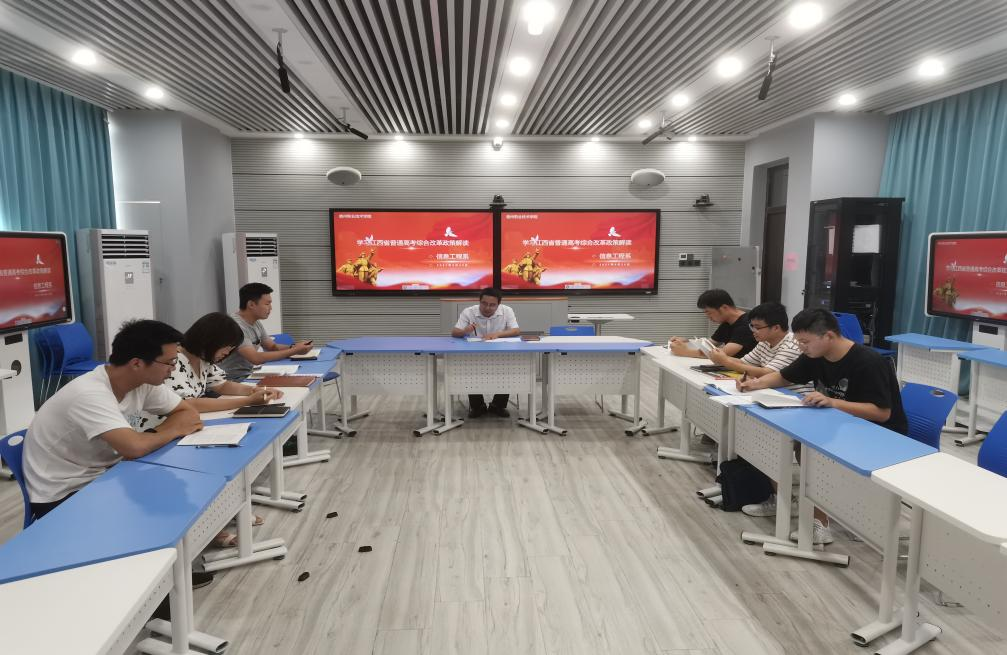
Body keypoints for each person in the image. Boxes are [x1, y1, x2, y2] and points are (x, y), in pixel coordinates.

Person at [738, 308, 908, 544]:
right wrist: (756, 384)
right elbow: (785, 376)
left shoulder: (869, 362)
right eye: (799, 342)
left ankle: (820, 524)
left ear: (828, 336)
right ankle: (784, 500)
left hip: (880, 434)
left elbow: (881, 413)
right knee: (777, 439)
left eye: (805, 342)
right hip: (838, 423)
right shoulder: (815, 355)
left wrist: (833, 402)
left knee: (811, 450)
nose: (801, 347)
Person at [22, 319, 203, 521]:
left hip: (105, 472)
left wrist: (150, 436)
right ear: (137, 363)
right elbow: (134, 448)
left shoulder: (144, 382)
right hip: (64, 492)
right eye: (169, 363)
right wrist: (173, 430)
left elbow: (188, 413)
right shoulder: (89, 394)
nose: (173, 369)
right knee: (160, 505)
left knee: (177, 488)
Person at [219, 282, 313, 380]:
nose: (270, 308)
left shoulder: (255, 322)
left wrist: (293, 347)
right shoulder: (235, 325)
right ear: (251, 304)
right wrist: (295, 351)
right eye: (267, 304)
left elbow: (272, 347)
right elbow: (255, 358)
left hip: (248, 374)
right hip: (232, 379)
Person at [450, 288, 521, 418]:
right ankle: (478, 407)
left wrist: (497, 334)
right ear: (479, 301)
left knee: (508, 369)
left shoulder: (507, 310)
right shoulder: (469, 311)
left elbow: (516, 331)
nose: (487, 308)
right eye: (484, 303)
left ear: (498, 304)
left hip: (500, 353)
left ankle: (498, 406)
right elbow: (454, 332)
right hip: (474, 354)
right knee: (469, 370)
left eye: (492, 305)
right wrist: (465, 331)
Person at [706, 301, 801, 378]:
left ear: (776, 328)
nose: (753, 331)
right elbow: (744, 362)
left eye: (757, 327)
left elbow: (767, 373)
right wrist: (720, 357)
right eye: (752, 326)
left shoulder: (791, 346)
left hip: (789, 394)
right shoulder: (765, 342)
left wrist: (725, 361)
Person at [668, 288, 757, 358]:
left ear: (724, 308)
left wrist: (685, 352)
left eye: (709, 312)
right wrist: (687, 341)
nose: (708, 317)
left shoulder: (746, 324)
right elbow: (709, 344)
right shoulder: (727, 322)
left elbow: (722, 354)